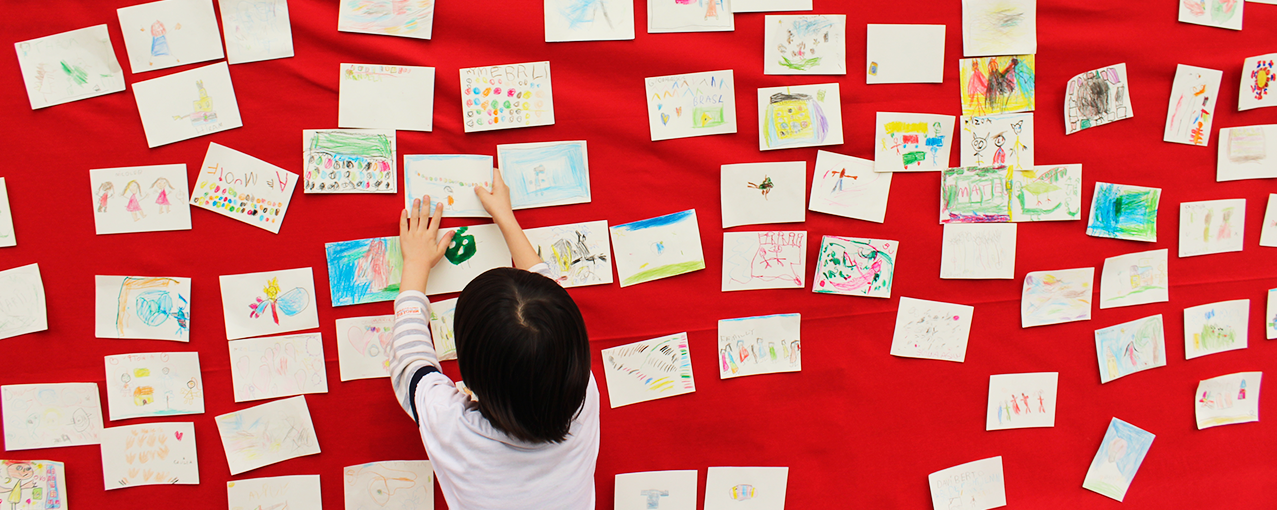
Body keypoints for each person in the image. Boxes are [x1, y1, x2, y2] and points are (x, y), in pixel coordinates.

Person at [389, 167, 599, 509]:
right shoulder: (583, 396)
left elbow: (410, 363)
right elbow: (551, 306)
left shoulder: (453, 427)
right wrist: (506, 218)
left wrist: (415, 263)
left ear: (468, 380)